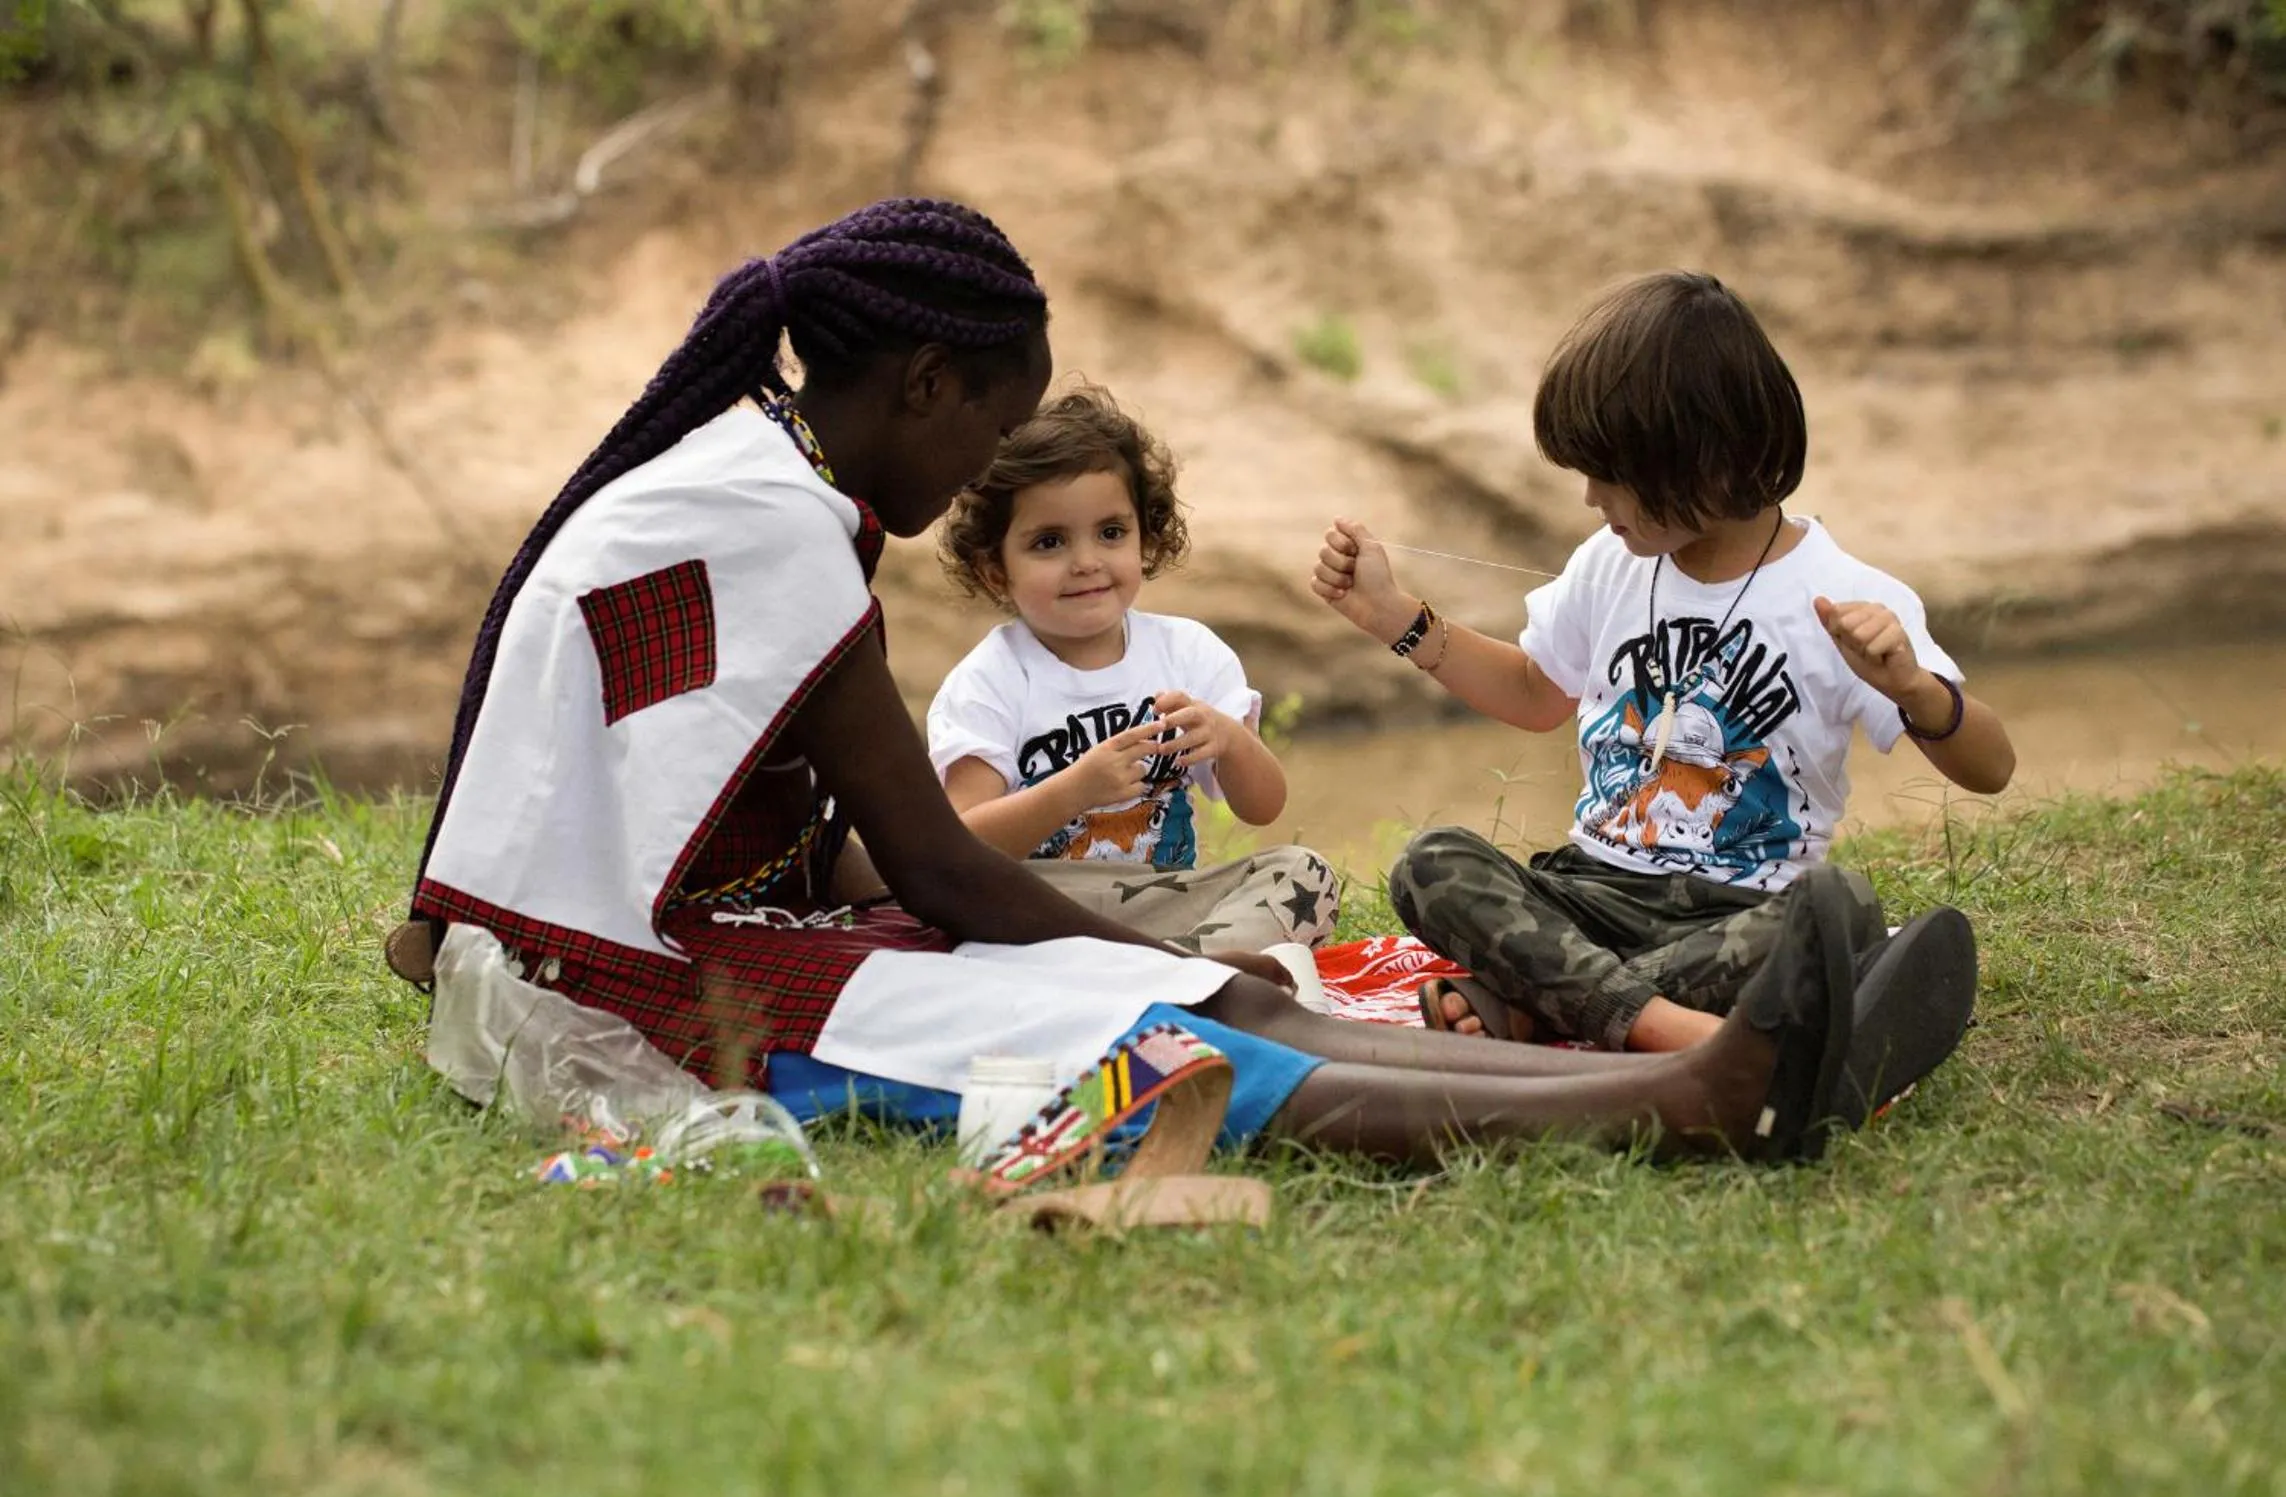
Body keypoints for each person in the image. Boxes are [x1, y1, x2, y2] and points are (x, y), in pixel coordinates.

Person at [399, 202, 1906, 1169]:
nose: (985, 471)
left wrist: (1158, 953)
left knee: (1209, 994)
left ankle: (1706, 1066)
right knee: (1182, 1042)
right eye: (989, 431)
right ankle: (1697, 1101)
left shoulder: (742, 484)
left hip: (719, 931)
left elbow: (826, 841)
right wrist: (1147, 967)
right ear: (923, 385)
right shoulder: (770, 524)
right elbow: (928, 856)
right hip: (660, 994)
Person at [1313, 270, 2014, 1096]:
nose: (1590, 498)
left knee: (1837, 908)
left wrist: (1913, 688)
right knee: (1433, 864)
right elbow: (1538, 692)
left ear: (1709, 458)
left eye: (1612, 476)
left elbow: (1992, 769)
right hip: (1592, 894)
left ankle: (1542, 1006)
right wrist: (1398, 619)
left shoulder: (1849, 595)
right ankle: (1686, 1031)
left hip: (1741, 912)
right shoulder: (1609, 565)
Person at [927, 385, 1340, 966]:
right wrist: (1076, 787)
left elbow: (1264, 806)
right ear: (995, 570)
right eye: (1049, 542)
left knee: (1303, 875)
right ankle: (1188, 983)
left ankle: (1177, 972)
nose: (1087, 561)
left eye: (1111, 532)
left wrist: (1229, 738)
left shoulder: (1189, 652)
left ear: (1146, 535)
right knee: (950, 925)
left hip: (1162, 904)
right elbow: (962, 844)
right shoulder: (989, 680)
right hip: (1042, 910)